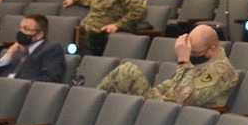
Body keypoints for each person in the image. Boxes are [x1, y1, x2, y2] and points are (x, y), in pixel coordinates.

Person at [95, 24, 238, 107]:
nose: (191, 56)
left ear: (212, 49)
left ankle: (90, 107)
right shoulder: (201, 61)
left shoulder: (221, 71)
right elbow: (169, 85)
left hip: (179, 115)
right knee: (124, 77)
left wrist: (183, 60)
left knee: (127, 72)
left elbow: (184, 100)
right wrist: (152, 94)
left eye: (194, 52)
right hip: (165, 106)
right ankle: (91, 105)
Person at [0, 13, 65, 83]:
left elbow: (49, 78)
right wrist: (10, 53)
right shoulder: (17, 50)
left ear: (39, 34)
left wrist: (21, 85)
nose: (21, 32)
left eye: (26, 29)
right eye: (20, 28)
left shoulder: (51, 49)